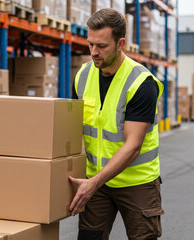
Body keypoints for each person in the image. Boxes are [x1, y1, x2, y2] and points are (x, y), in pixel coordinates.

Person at [69, 8, 165, 240]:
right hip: (96, 180)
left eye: (101, 46)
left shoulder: (141, 83)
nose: (94, 52)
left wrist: (93, 183)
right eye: (90, 44)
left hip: (136, 182)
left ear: (121, 43)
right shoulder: (82, 76)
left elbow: (133, 146)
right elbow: (75, 130)